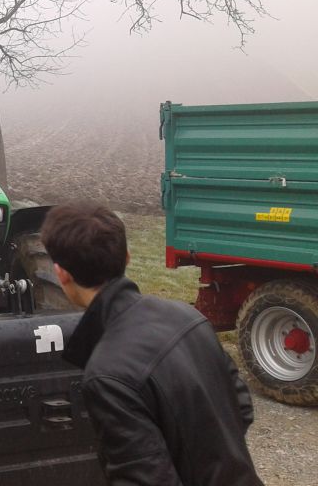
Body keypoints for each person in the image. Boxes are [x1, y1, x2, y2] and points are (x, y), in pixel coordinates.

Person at [40, 200, 262, 486]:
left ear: (61, 274)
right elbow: (241, 405)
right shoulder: (186, 315)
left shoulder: (107, 373)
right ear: (128, 257)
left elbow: (145, 478)